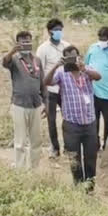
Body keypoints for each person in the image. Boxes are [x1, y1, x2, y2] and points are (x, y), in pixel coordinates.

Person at [45, 46, 102, 189]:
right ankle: (78, 186)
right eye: (69, 58)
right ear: (64, 60)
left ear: (80, 57)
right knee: (74, 158)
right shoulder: (61, 73)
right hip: (71, 124)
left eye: (75, 57)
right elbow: (46, 82)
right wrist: (57, 65)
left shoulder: (86, 70)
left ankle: (90, 188)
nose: (73, 61)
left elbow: (98, 76)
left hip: (89, 123)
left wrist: (84, 68)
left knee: (91, 158)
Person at [2, 31, 46, 171]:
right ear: (18, 43)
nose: (26, 43)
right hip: (19, 104)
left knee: (36, 140)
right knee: (20, 141)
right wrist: (12, 51)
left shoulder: (37, 60)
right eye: (23, 41)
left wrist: (45, 102)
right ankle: (20, 170)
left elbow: (42, 83)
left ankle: (34, 169)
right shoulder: (14, 59)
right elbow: (4, 62)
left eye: (28, 41)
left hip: (36, 104)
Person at [36, 18, 70, 158]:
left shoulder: (66, 46)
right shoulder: (43, 49)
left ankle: (69, 147)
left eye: (60, 30)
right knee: (51, 120)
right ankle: (55, 148)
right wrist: (41, 94)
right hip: (50, 91)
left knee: (68, 119)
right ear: (49, 31)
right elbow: (40, 71)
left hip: (65, 89)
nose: (59, 32)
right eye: (56, 30)